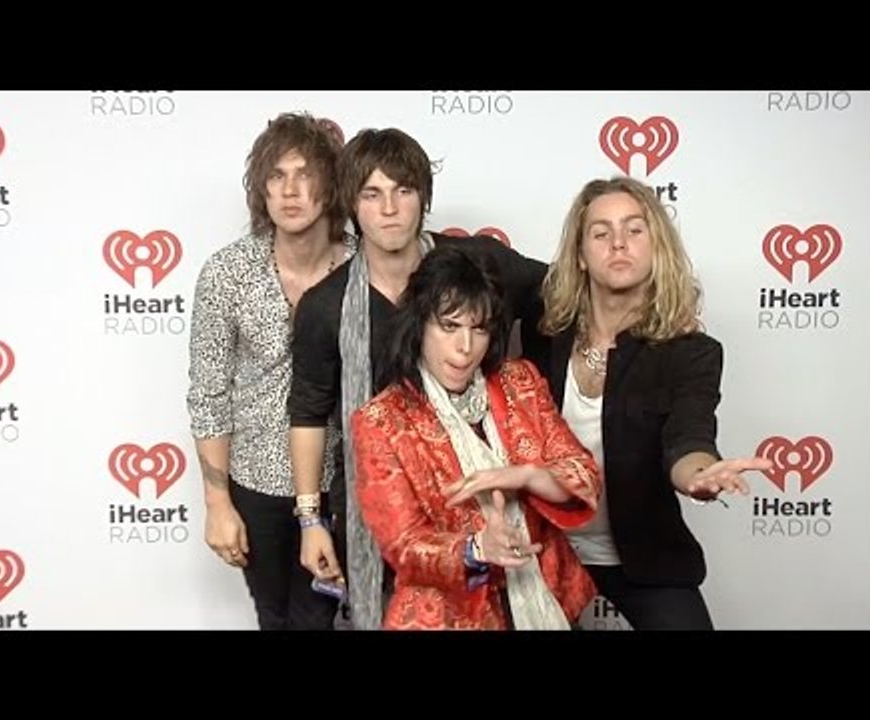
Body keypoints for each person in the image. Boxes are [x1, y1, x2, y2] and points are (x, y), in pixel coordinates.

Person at [288, 127, 547, 629]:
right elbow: (308, 415)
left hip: (482, 496)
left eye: (403, 191)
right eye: (372, 194)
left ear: (422, 199)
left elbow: (559, 295)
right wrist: (310, 520)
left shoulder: (477, 264)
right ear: (351, 205)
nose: (389, 209)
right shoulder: (325, 307)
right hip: (379, 508)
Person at [523, 176, 773, 630]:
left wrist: (699, 475)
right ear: (580, 255)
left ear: (656, 246)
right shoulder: (542, 334)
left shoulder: (691, 352)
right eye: (601, 233)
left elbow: (689, 438)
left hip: (643, 554)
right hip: (543, 550)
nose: (618, 243)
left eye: (635, 230)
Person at [350, 245, 600, 630]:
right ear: (419, 325)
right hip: (450, 615)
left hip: (546, 600)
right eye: (449, 326)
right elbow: (402, 542)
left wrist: (525, 476)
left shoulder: (521, 382)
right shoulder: (382, 420)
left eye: (478, 328)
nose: (465, 348)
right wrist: (476, 549)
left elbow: (584, 474)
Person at [187, 112, 356, 630]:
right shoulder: (226, 272)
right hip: (255, 485)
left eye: (305, 175)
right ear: (260, 190)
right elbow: (208, 393)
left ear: (331, 187)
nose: (290, 191)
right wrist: (217, 502)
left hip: (343, 481)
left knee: (316, 619)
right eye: (277, 177)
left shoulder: (364, 267)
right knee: (274, 618)